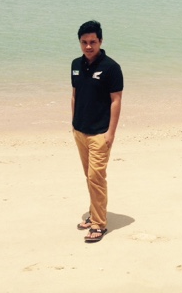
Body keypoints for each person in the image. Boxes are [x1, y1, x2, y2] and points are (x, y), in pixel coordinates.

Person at [71, 20, 123, 243]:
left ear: (100, 41)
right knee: (89, 176)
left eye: (93, 42)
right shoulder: (75, 64)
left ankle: (99, 224)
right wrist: (74, 123)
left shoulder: (111, 67)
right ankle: (94, 213)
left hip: (100, 133)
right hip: (80, 131)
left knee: (96, 178)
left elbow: (116, 101)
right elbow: (75, 95)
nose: (88, 46)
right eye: (84, 42)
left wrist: (111, 133)